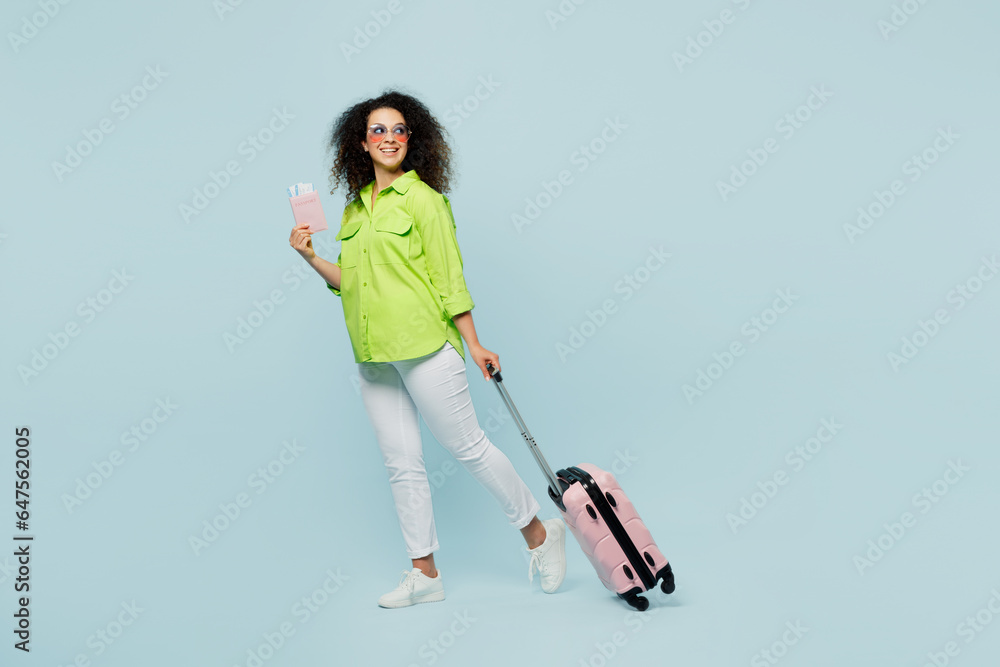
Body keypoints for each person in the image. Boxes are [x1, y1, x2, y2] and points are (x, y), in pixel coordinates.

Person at [288, 89, 567, 608]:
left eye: (398, 129)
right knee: (401, 463)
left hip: (425, 346)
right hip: (374, 353)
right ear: (361, 143)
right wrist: (310, 257)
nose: (389, 137)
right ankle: (425, 574)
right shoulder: (354, 209)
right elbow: (351, 282)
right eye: (378, 130)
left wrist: (474, 342)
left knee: (468, 447)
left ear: (411, 139)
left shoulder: (424, 200)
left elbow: (448, 277)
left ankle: (540, 534)